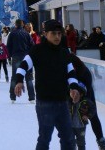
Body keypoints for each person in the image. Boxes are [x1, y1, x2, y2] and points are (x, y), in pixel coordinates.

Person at [14, 19, 82, 150]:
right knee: (44, 139)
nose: (57, 36)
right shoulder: (37, 50)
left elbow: (71, 72)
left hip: (63, 103)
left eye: (59, 34)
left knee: (68, 139)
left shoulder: (64, 52)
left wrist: (74, 87)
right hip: (45, 104)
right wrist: (19, 80)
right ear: (45, 34)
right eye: (53, 33)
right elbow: (23, 65)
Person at [69, 55, 105, 150]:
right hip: (71, 94)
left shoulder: (84, 72)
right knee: (70, 117)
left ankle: (101, 141)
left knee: (93, 116)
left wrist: (86, 108)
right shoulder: (65, 69)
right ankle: (70, 142)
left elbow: (88, 91)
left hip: (86, 94)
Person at [7, 19, 35, 103]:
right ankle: (32, 97)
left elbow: (8, 46)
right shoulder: (26, 34)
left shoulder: (12, 34)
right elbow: (32, 45)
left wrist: (10, 55)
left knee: (15, 77)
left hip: (16, 56)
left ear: (15, 25)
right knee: (28, 77)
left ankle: (13, 97)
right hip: (26, 56)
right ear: (22, 25)